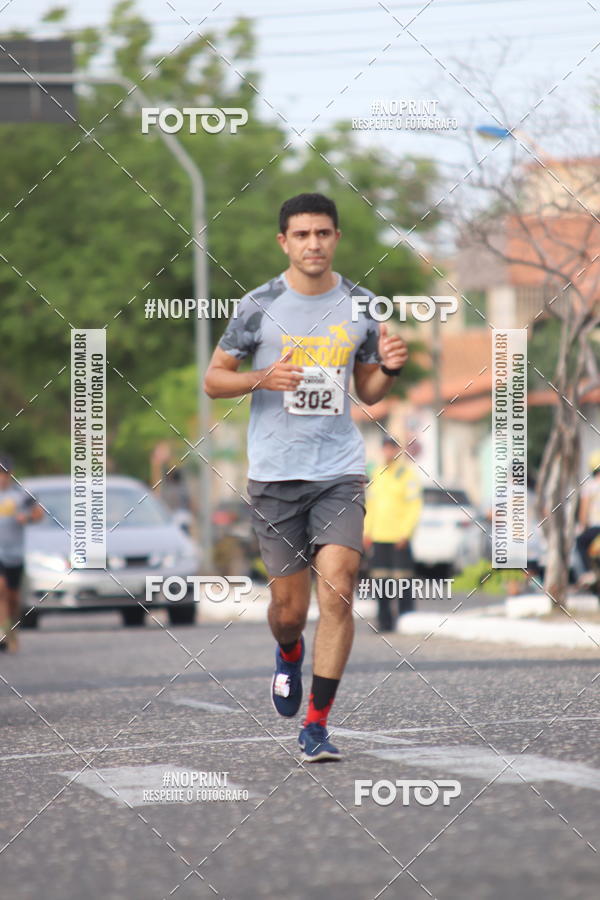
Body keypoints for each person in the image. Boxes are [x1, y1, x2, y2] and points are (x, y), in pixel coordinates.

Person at [204, 192, 408, 761]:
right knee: (290, 611)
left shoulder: (363, 306)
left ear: (336, 238)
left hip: (338, 469)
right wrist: (260, 377)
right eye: (302, 235)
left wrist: (389, 367)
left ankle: (316, 725)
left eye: (323, 233)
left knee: (339, 587)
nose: (313, 244)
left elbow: (367, 393)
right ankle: (288, 652)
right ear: (284, 242)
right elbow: (213, 380)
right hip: (274, 475)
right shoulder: (257, 306)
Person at [363, 437, 423, 631]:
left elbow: (414, 506)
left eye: (392, 449)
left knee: (403, 581)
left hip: (399, 537)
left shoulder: (407, 475)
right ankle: (384, 621)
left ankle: (406, 618)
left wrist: (406, 533)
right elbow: (370, 505)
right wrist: (367, 531)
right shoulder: (377, 472)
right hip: (379, 535)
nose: (389, 453)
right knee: (381, 582)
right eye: (386, 449)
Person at [0, 454, 43, 652]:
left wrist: (27, 518)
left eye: (4, 474)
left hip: (14, 553)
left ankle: (12, 631)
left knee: (12, 597)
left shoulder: (21, 495)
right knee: (0, 588)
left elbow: (38, 513)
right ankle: (2, 633)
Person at [576, 451, 600, 579]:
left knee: (580, 543)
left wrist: (582, 525)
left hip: (595, 529)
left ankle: (588, 572)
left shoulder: (589, 486)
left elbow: (584, 512)